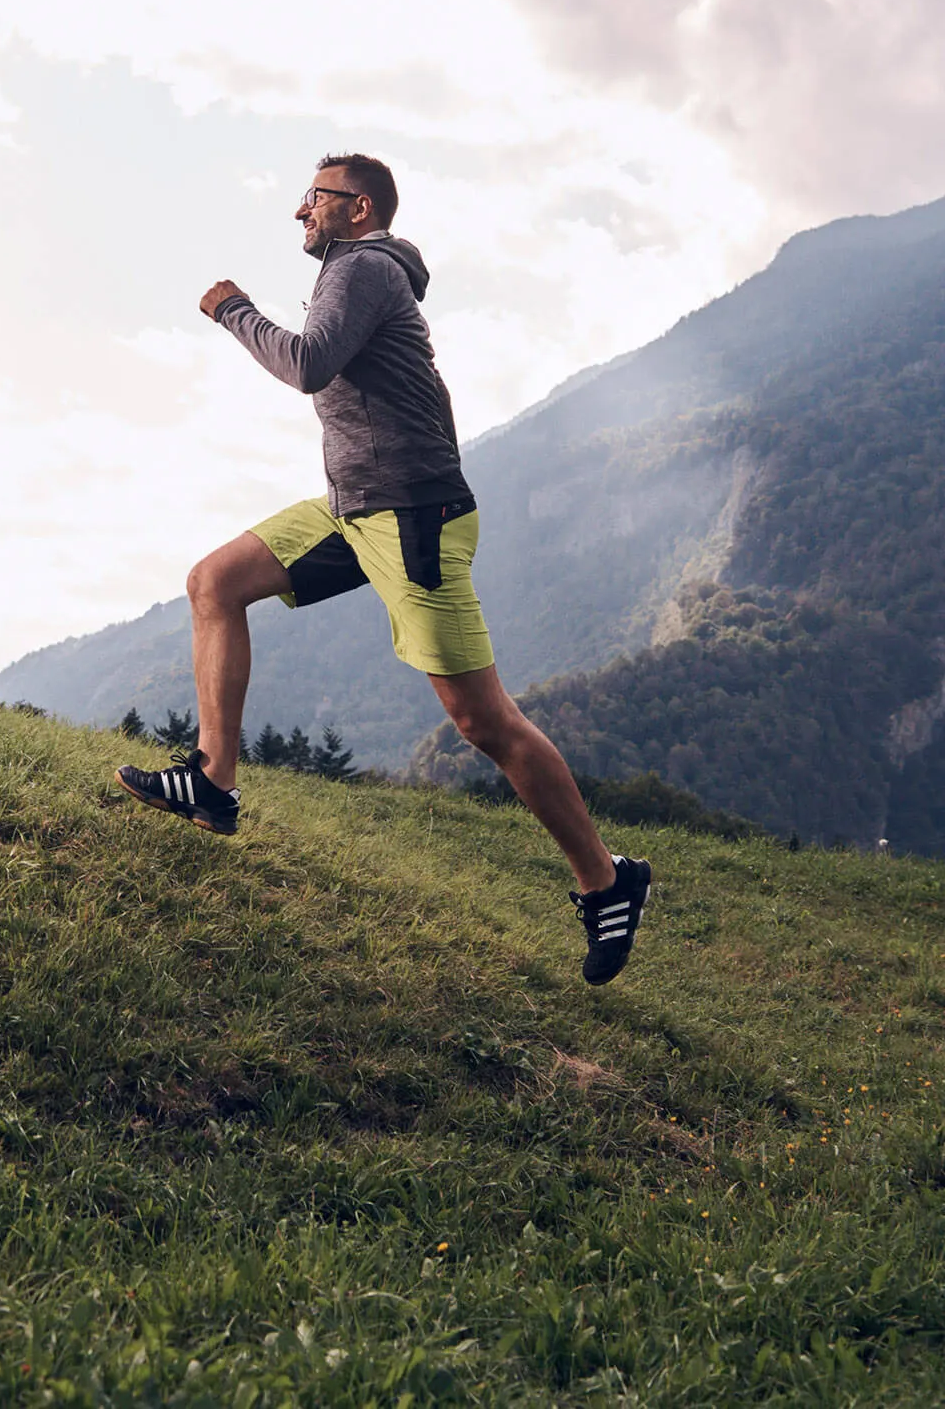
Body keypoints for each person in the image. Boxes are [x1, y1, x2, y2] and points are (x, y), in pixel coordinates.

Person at [116, 153, 651, 985]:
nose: (300, 212)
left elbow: (307, 366)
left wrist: (234, 310)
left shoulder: (360, 265)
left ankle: (607, 882)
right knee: (214, 582)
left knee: (483, 722)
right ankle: (214, 783)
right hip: (354, 507)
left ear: (357, 208)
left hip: (410, 516)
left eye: (314, 199)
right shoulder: (364, 271)